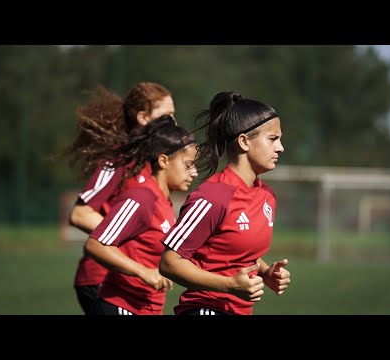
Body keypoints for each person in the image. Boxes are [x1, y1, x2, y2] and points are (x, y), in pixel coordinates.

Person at [159, 91, 291, 315]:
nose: (280, 148)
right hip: (205, 309)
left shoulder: (266, 195)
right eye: (273, 139)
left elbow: (233, 251)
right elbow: (170, 262)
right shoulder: (213, 196)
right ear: (244, 141)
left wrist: (266, 273)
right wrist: (229, 285)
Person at [65, 82, 176, 315]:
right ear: (143, 117)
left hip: (134, 284)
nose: (173, 122)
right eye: (167, 115)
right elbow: (80, 213)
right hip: (102, 280)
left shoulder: (155, 162)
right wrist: (128, 234)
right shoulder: (120, 159)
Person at [84, 115, 198, 315]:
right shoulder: (142, 198)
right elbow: (96, 245)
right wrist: (142, 272)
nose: (194, 173)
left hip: (145, 308)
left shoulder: (164, 201)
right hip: (121, 306)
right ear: (163, 160)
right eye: (188, 165)